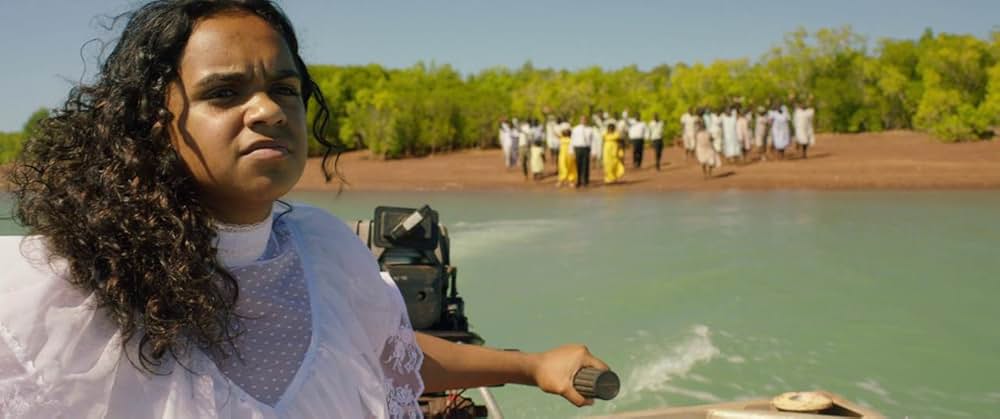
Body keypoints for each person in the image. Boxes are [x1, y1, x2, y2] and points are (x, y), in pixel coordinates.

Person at [0, 2, 610, 418]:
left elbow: (383, 352)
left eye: (284, 90)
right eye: (224, 92)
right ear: (156, 125)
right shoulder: (44, 294)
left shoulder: (323, 249)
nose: (267, 110)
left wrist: (531, 365)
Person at [570, 116, 593, 188]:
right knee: (577, 165)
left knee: (585, 165)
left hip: (586, 148)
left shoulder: (590, 129)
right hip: (577, 148)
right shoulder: (575, 129)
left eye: (585, 120)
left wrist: (593, 151)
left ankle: (585, 181)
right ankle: (578, 181)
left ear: (587, 120)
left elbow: (592, 141)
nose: (584, 121)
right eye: (582, 119)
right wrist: (571, 150)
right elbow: (572, 140)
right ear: (580, 120)